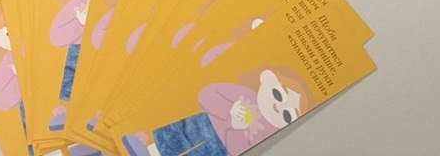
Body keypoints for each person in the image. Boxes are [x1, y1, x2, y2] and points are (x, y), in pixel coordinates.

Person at [122, 68, 308, 156]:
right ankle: (151, 150)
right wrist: (229, 110)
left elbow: (237, 148)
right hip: (204, 123)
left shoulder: (267, 132)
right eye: (277, 94)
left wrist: (234, 128)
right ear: (267, 79)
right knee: (179, 133)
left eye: (286, 115)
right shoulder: (244, 94)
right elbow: (208, 93)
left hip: (218, 149)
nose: (277, 108)